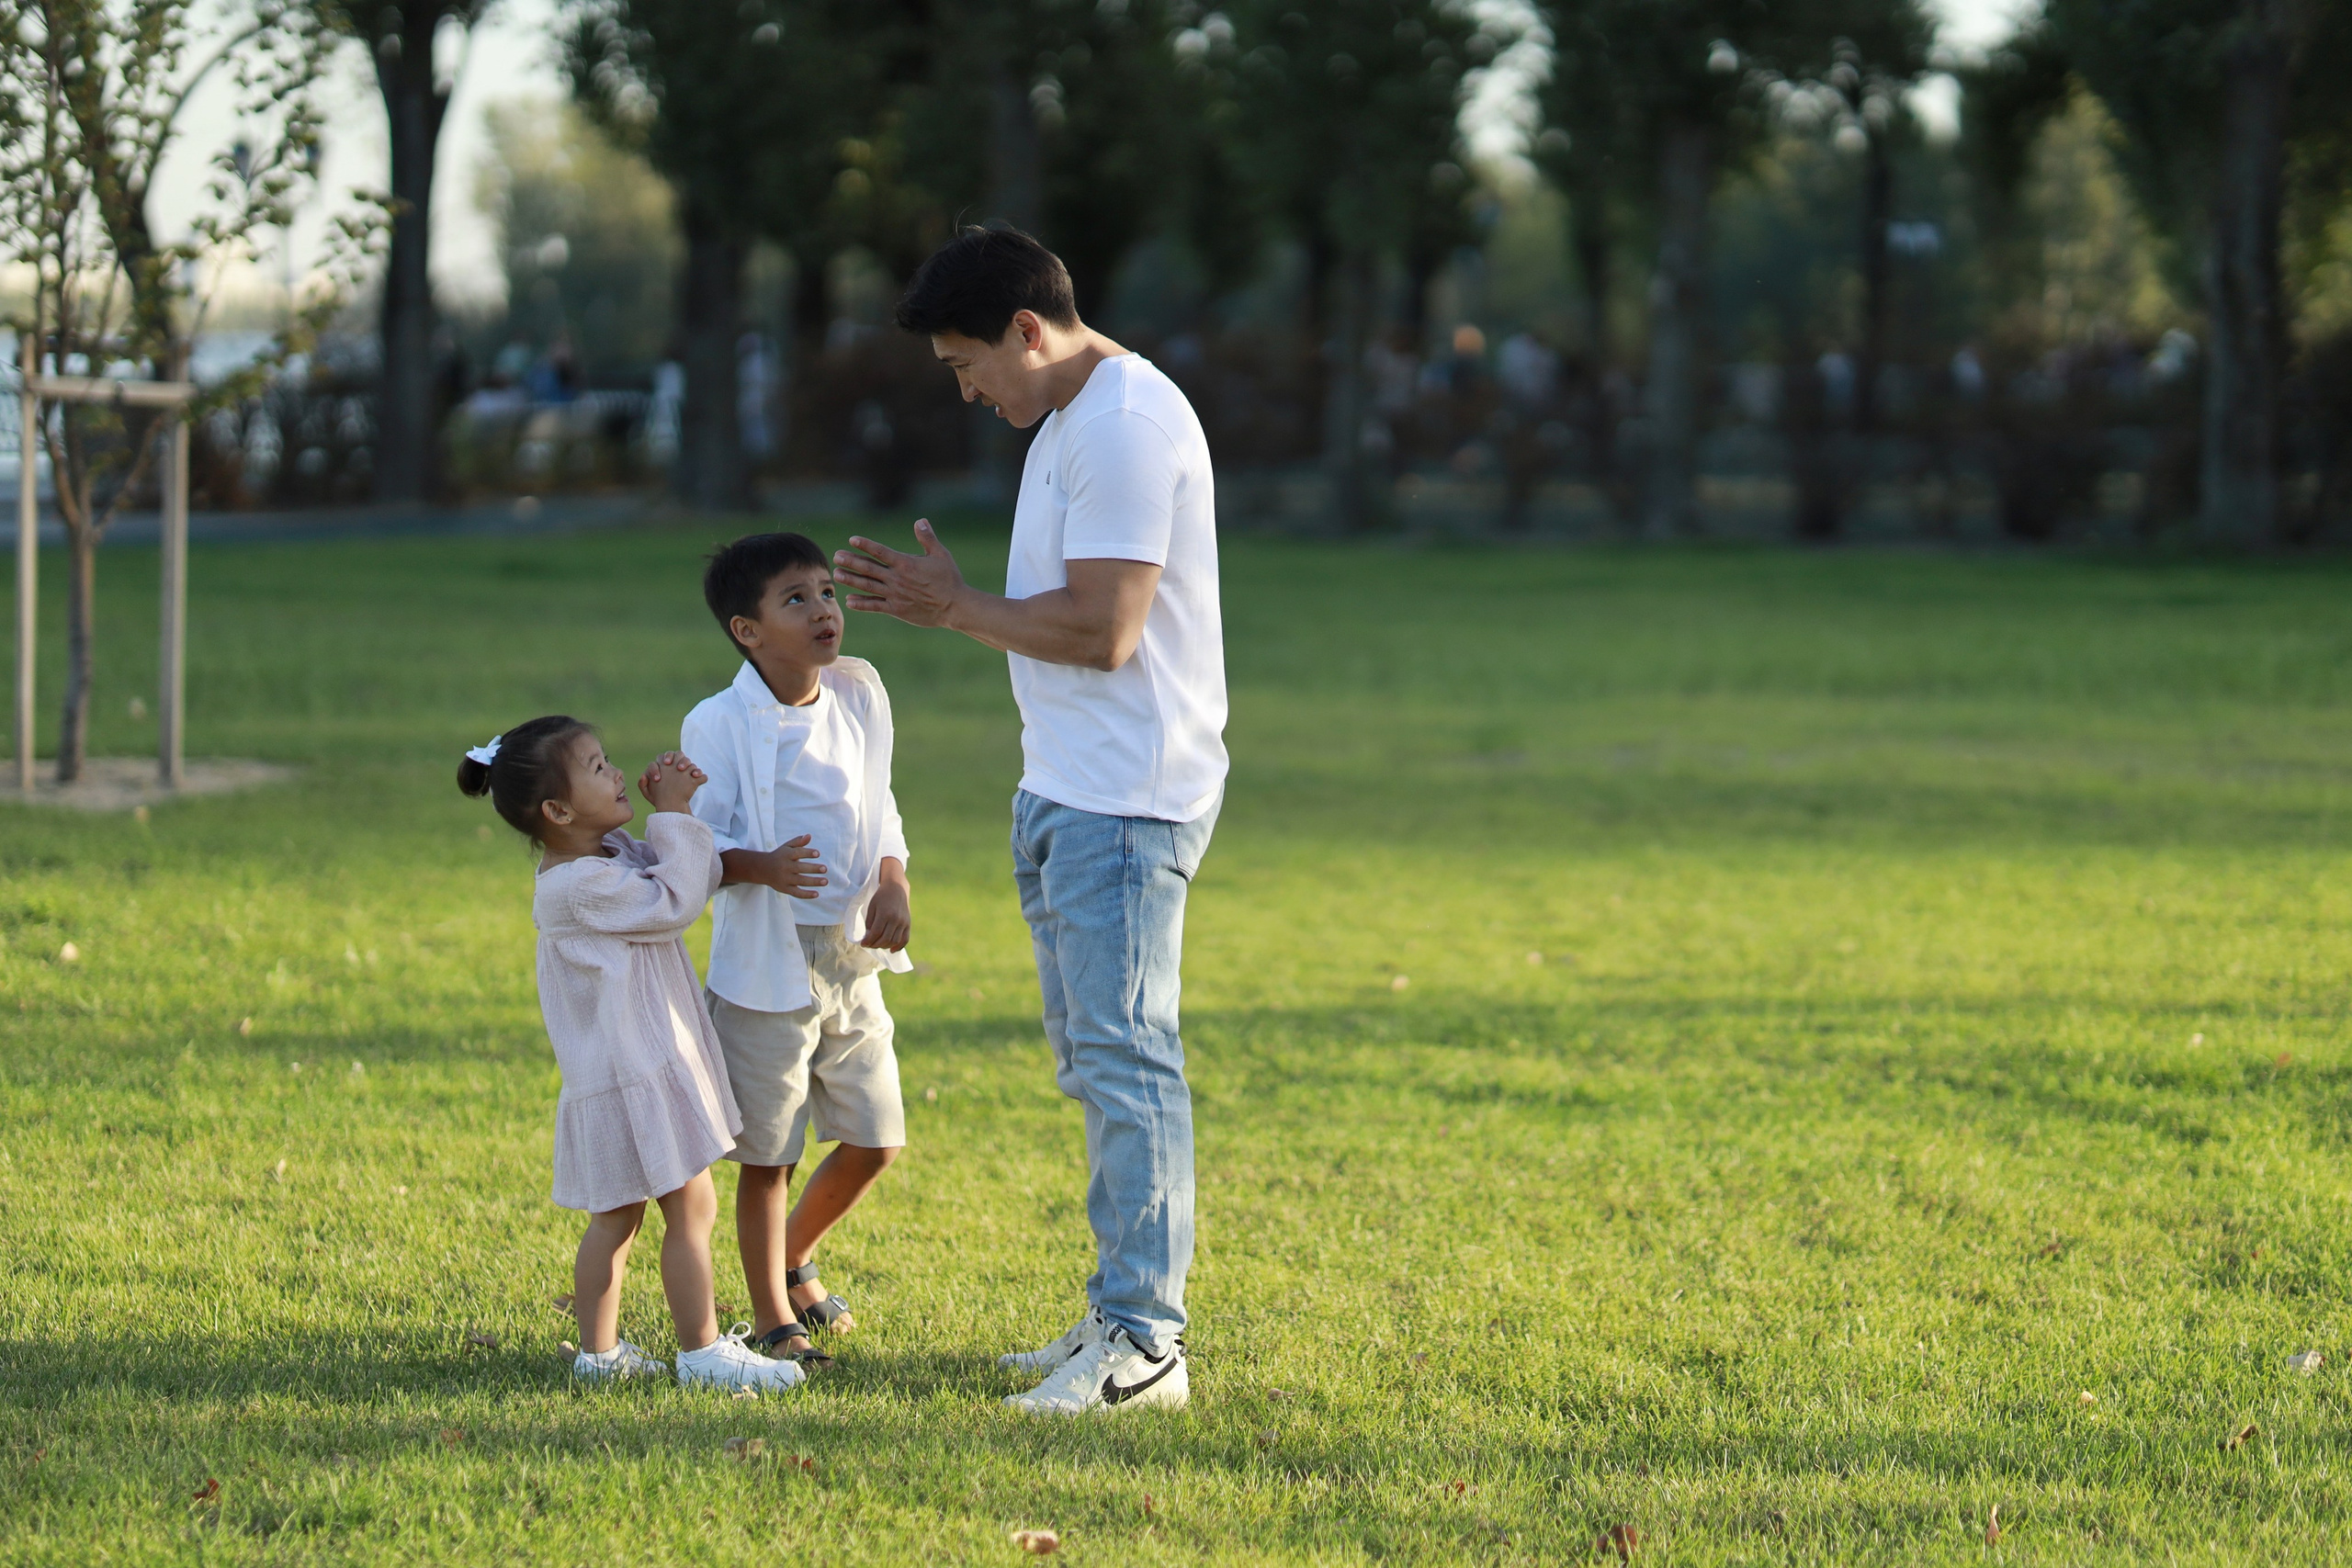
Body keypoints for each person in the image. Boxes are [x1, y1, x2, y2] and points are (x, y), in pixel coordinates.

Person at [832, 226, 1226, 1416]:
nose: (967, 389)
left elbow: (1105, 631)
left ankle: (1147, 1342)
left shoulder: (1122, 425)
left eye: (969, 364)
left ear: (1029, 331)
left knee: (1125, 1059)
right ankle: (1118, 1307)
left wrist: (955, 609)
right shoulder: (1065, 419)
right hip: (1065, 784)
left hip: (1126, 796)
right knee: (1093, 1058)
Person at [457, 717, 802, 1395]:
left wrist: (675, 817)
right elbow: (675, 901)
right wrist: (671, 813)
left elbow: (685, 877)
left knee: (619, 1217)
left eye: (608, 760)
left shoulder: (603, 855)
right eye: (596, 767)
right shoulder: (577, 887)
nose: (615, 773)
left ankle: (600, 1354)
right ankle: (702, 1354)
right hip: (636, 1072)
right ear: (557, 811)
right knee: (690, 1204)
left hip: (631, 1070)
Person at [681, 533, 913, 1368]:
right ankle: (773, 1314)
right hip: (765, 966)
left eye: (827, 592)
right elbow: (695, 846)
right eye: (796, 599)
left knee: (876, 1138)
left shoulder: (855, 700)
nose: (824, 611)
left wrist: (893, 879)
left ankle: (791, 1252)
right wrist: (760, 866)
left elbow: (879, 805)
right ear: (748, 631)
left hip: (849, 957)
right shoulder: (718, 722)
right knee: (769, 1152)